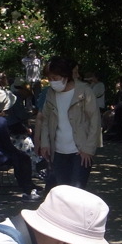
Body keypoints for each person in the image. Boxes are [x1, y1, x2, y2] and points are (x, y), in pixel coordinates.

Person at [35, 57, 99, 190]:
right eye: (50, 79)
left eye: (55, 78)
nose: (52, 82)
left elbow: (95, 121)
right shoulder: (51, 94)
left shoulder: (84, 91)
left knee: (76, 191)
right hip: (58, 152)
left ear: (65, 75)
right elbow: (46, 120)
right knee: (62, 192)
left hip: (80, 151)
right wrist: (45, 144)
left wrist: (89, 149)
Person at [0, 87, 39, 200]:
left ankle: (25, 186)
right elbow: (7, 145)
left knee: (19, 157)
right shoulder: (1, 122)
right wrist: (18, 152)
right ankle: (27, 190)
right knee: (23, 158)